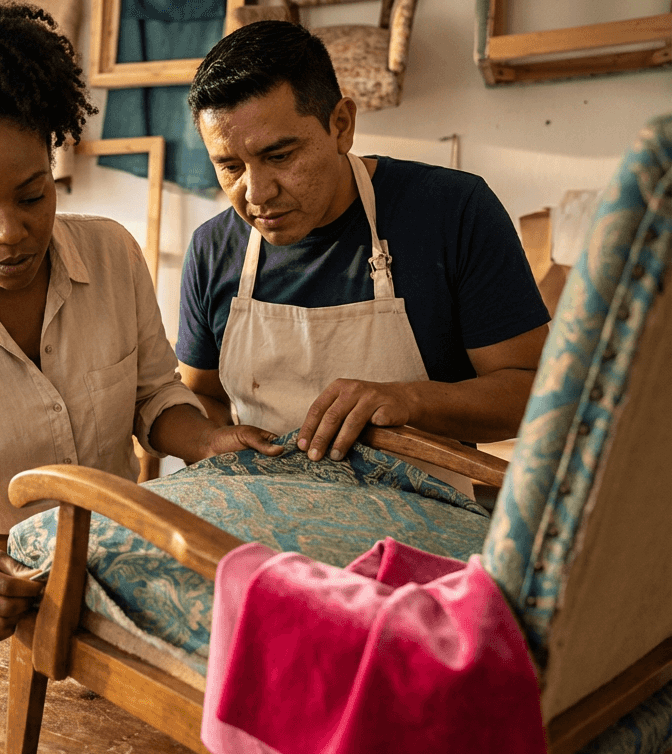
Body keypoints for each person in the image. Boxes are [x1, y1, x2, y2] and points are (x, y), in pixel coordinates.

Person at [0, 1, 279, 643]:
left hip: (122, 554)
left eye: (32, 195)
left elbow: (152, 396)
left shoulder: (110, 254)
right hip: (0, 580)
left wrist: (208, 441)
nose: (10, 232)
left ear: (53, 161)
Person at [176, 21, 550, 492]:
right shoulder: (213, 249)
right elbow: (200, 392)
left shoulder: (451, 211)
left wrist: (412, 400)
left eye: (280, 156)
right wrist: (215, 440)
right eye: (229, 167)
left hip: (421, 520)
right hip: (263, 511)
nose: (256, 193)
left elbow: (535, 392)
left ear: (341, 126)